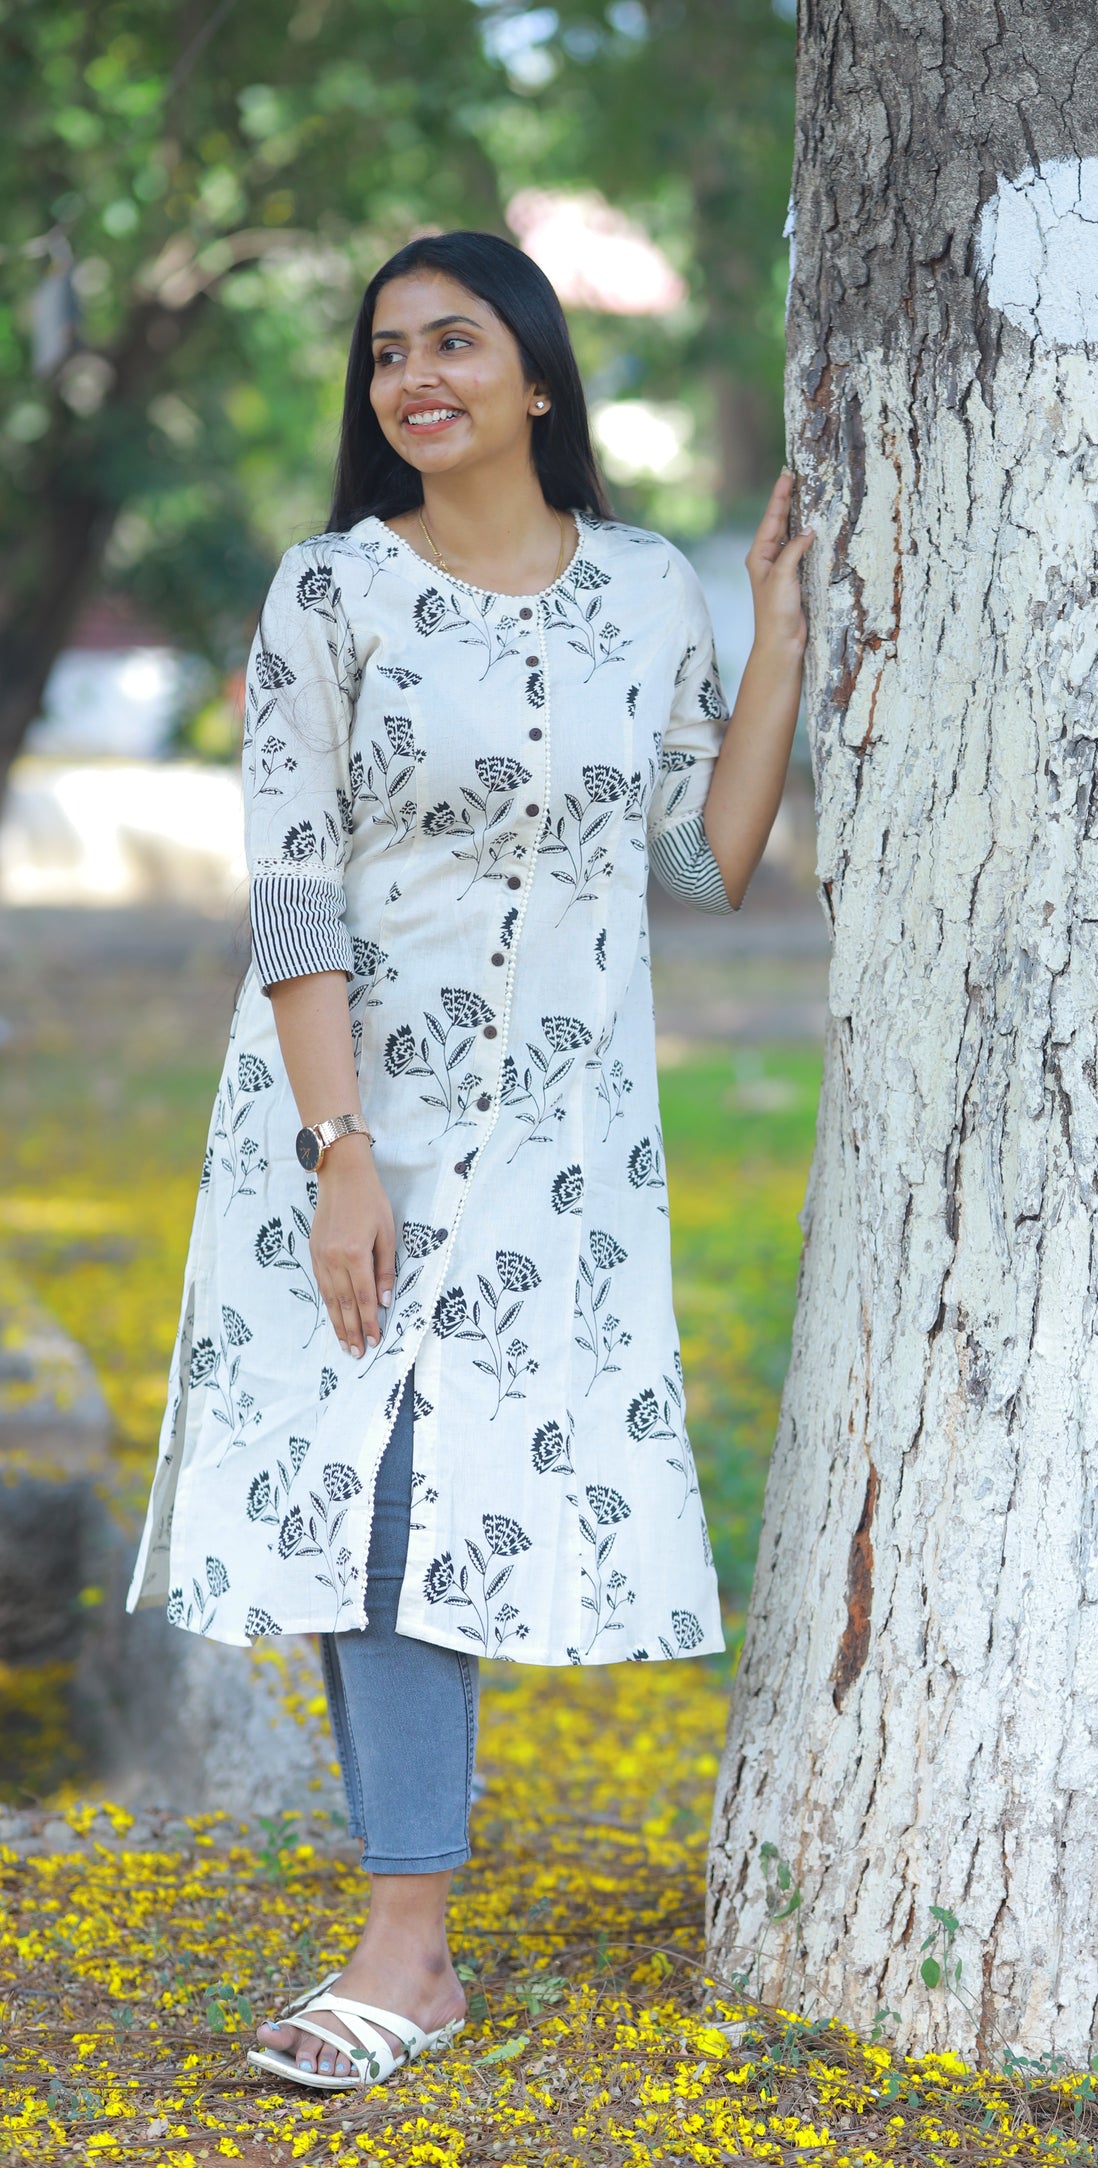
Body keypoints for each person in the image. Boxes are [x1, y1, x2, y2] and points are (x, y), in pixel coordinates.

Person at [124, 229, 812, 2091]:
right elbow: (289, 881)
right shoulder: (330, 593)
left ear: (535, 376)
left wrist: (776, 646)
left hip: (565, 1153)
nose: (413, 378)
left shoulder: (650, 589)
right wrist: (343, 1146)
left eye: (452, 341)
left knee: (431, 1504)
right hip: (352, 1120)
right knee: (377, 1498)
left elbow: (700, 863)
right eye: (385, 356)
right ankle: (405, 1948)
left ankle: (406, 1946)